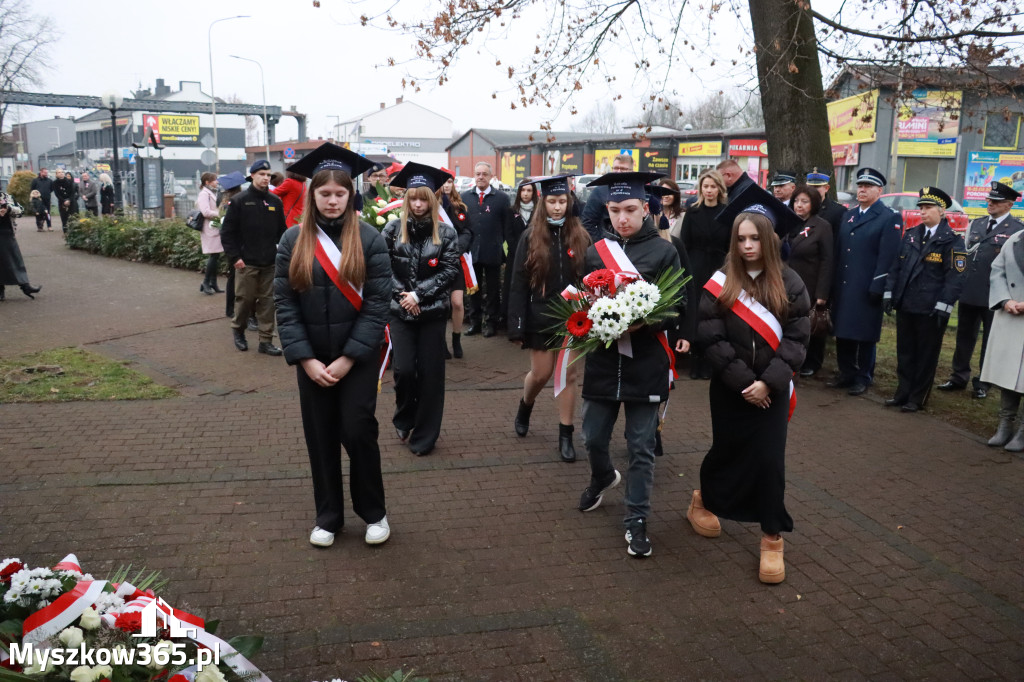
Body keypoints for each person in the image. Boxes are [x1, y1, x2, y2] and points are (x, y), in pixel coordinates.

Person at [274, 142, 392, 547]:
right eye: (324, 193)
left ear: (350, 195)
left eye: (340, 193)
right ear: (313, 195)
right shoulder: (292, 241)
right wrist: (305, 359)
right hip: (311, 361)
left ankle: (374, 514)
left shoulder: (370, 240)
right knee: (320, 437)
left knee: (358, 432)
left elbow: (377, 307)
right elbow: (285, 304)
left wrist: (347, 358)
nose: (332, 201)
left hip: (354, 360)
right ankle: (328, 517)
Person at [691, 200, 810, 584]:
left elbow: (797, 338)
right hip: (731, 389)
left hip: (772, 390)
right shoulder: (720, 281)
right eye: (740, 238)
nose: (747, 245)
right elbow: (711, 335)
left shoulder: (791, 282)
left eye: (755, 238)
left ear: (770, 240)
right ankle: (703, 500)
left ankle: (771, 538)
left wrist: (767, 383)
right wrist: (744, 382)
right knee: (727, 451)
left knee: (770, 462)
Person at [575, 171, 686, 558]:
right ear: (607, 209)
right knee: (591, 437)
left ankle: (636, 519)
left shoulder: (664, 252)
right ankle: (603, 475)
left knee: (640, 447)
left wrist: (643, 321)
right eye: (615, 210)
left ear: (645, 209)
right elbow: (583, 302)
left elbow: (676, 306)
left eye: (631, 210)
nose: (623, 218)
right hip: (604, 363)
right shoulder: (596, 251)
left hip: (646, 363)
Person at [508, 175, 592, 463]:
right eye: (552, 202)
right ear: (543, 203)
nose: (557, 207)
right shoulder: (530, 237)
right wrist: (516, 324)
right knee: (542, 374)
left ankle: (565, 434)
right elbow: (518, 282)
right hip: (540, 316)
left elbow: (590, 277)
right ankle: (526, 403)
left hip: (573, 317)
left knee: (568, 375)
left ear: (570, 202)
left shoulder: (581, 235)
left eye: (562, 202)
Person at [382, 163, 461, 456]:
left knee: (430, 376)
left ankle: (425, 435)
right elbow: (382, 266)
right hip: (399, 311)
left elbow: (449, 269)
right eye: (413, 198)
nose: (418, 204)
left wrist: (419, 295)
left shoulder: (446, 233)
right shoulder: (392, 229)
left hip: (432, 313)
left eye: (423, 198)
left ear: (432, 199)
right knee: (404, 371)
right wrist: (404, 296)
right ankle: (405, 416)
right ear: (406, 199)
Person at [882, 187, 967, 412]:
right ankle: (903, 393)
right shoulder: (911, 234)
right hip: (906, 303)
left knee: (926, 355)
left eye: (928, 208)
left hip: (931, 308)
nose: (922, 212)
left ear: (941, 211)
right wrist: (889, 294)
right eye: (920, 207)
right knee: (905, 352)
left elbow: (956, 278)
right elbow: (896, 267)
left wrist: (944, 305)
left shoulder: (952, 241)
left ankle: (917, 398)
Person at [938, 181, 1024, 399]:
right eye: (989, 200)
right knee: (964, 337)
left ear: (1008, 204)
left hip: (996, 294)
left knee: (990, 340)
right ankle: (958, 376)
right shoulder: (976, 224)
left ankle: (984, 382)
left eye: (996, 201)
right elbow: (965, 256)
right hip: (970, 290)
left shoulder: (1017, 230)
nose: (990, 204)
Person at [830, 167, 902, 396]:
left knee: (865, 334)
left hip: (867, 285)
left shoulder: (888, 217)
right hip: (844, 283)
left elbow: (888, 257)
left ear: (879, 191)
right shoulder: (849, 214)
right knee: (843, 330)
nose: (862, 190)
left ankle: (863, 376)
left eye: (867, 186)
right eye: (860, 186)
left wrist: (878, 285)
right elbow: (841, 250)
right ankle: (846, 373)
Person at [219, 159, 287, 356]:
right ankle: (238, 331)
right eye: (262, 174)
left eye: (268, 175)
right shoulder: (240, 201)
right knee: (245, 300)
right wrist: (235, 257)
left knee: (268, 303)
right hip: (246, 262)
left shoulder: (275, 202)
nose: (266, 178)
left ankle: (265, 341)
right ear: (253, 176)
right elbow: (227, 233)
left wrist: (283, 253)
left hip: (270, 262)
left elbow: (282, 232)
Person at [680, 169, 731, 379]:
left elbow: (730, 245)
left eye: (713, 186)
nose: (709, 190)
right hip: (696, 266)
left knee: (716, 313)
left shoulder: (728, 213)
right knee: (697, 312)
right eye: (705, 186)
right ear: (701, 188)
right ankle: (696, 359)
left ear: (720, 188)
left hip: (719, 268)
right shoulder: (692, 212)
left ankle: (712, 360)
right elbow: (684, 243)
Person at [981, 226, 1024, 451]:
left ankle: (1023, 431)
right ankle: (1005, 424)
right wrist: (1005, 300)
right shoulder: (1015, 239)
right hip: (1011, 315)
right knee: (1009, 374)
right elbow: (997, 270)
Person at [784, 184, 834, 377]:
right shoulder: (788, 223)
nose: (799, 205)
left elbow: (827, 261)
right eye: (796, 201)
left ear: (813, 204)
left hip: (810, 284)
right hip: (787, 282)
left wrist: (822, 293)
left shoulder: (822, 226)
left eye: (804, 202)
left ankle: (812, 362)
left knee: (811, 325)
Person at [461, 162, 511, 337]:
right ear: (474, 176)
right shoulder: (465, 197)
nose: (481, 177)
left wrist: (505, 248)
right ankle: (474, 322)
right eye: (478, 174)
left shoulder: (502, 199)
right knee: (473, 289)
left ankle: (491, 323)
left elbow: (507, 227)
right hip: (471, 252)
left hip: (493, 251)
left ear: (491, 176)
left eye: (484, 174)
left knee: (492, 290)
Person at [439, 173, 473, 359]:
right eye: (443, 181)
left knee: (457, 303)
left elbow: (468, 231)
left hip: (455, 260)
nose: (446, 185)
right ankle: (442, 343)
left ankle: (456, 339)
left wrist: (456, 248)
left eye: (450, 181)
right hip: (436, 262)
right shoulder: (433, 207)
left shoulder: (460, 208)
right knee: (442, 305)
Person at [503, 179, 537, 330]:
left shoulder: (539, 211)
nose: (525, 194)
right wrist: (520, 251)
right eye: (523, 190)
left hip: (534, 257)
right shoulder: (511, 211)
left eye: (529, 190)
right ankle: (510, 323)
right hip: (514, 258)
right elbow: (508, 234)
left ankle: (529, 322)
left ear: (533, 192)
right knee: (513, 289)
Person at [580, 154, 634, 242]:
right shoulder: (599, 192)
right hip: (608, 245)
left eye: (623, 169)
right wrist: (601, 242)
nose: (618, 172)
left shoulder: (637, 191)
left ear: (631, 171)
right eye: (616, 168)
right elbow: (587, 222)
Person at [0, 193, 42, 301]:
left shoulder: (6, 196)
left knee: (15, 259)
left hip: (7, 232)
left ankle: (25, 285)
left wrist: (8, 209)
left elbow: (20, 210)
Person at [217, 171, 246, 318]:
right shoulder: (237, 201)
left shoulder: (226, 202)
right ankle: (231, 309)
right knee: (235, 278)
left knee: (232, 278)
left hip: (231, 245)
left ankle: (230, 309)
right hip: (237, 244)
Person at [197, 172, 224, 295]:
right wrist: (218, 213)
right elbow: (205, 212)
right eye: (214, 180)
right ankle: (206, 282)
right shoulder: (204, 194)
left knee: (216, 255)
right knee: (213, 256)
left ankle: (213, 283)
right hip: (209, 227)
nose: (217, 182)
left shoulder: (211, 193)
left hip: (214, 226)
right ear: (207, 182)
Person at [806, 168, 845, 234]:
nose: (813, 190)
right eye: (810, 186)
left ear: (826, 188)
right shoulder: (799, 208)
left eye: (817, 187)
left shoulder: (838, 211)